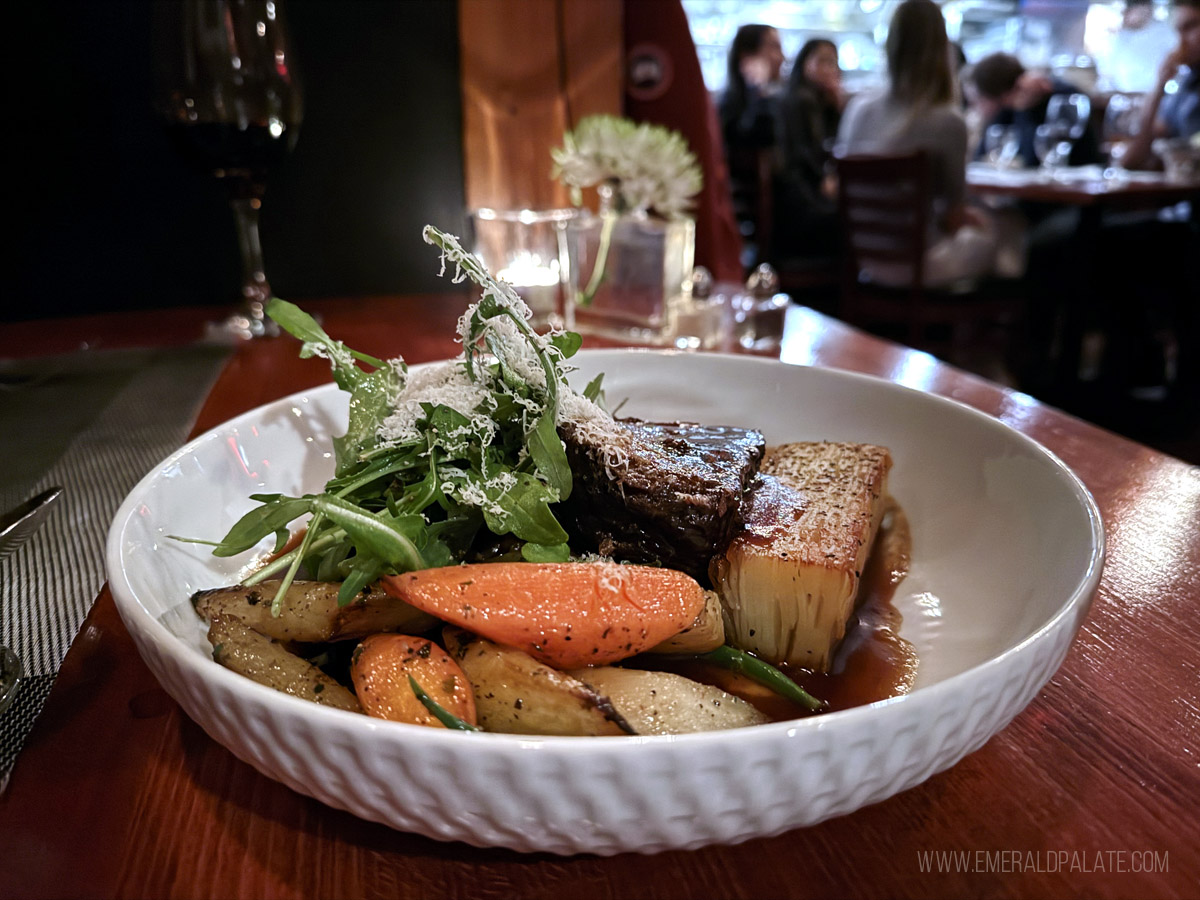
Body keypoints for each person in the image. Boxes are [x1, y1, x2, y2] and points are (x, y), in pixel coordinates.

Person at [835, 0, 996, 288]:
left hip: (863, 258)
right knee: (1002, 235)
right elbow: (953, 216)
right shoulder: (948, 121)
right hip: (920, 264)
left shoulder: (857, 110)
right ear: (942, 47)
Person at [772, 38, 844, 261]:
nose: (829, 69)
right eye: (822, 61)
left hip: (797, 203)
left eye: (833, 62)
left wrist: (835, 108)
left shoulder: (818, 102)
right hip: (801, 204)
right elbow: (806, 156)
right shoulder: (801, 100)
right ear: (804, 63)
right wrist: (826, 180)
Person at [718, 24, 785, 258]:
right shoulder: (730, 106)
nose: (782, 57)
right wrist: (759, 88)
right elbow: (758, 138)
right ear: (747, 57)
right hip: (768, 223)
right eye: (774, 48)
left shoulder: (775, 99)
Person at [967, 52, 1103, 168]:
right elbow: (981, 157)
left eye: (978, 100)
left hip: (1070, 189)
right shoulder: (1006, 111)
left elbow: (1036, 159)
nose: (976, 108)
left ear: (1001, 95)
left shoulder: (1062, 96)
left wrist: (1029, 110)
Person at [1120, 0, 1200, 170]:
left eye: (1191, 26)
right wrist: (1159, 86)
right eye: (1178, 31)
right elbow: (1132, 161)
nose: (1182, 41)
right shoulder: (1186, 84)